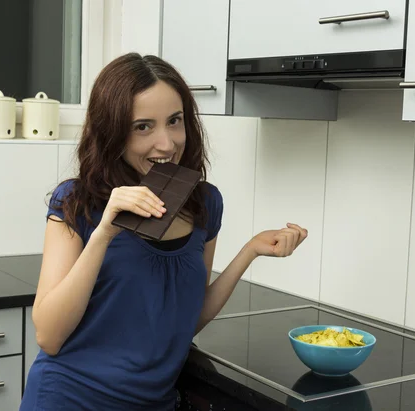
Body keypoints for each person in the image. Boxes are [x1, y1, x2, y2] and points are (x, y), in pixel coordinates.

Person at [19, 52, 308, 411]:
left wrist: (249, 251)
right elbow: (49, 336)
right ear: (113, 134)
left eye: (174, 121)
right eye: (143, 126)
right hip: (71, 399)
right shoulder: (76, 202)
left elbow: (187, 318)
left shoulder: (205, 204)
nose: (167, 143)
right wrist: (106, 231)